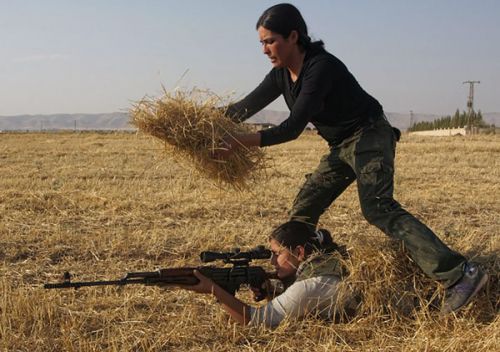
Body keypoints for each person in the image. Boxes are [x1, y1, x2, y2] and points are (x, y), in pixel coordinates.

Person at [214, 3, 487, 314]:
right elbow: (243, 108)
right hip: (340, 144)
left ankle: (460, 273)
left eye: (270, 40)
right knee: (302, 211)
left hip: (370, 135)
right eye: (261, 42)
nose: (264, 49)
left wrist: (239, 141)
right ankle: (304, 279)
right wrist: (200, 124)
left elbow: (292, 128)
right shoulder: (280, 75)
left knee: (378, 208)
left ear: (293, 36)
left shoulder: (321, 67)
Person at [181, 221, 349, 328]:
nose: (272, 262)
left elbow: (257, 320)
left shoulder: (310, 285)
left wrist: (213, 289)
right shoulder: (325, 261)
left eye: (278, 254)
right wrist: (270, 290)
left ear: (299, 252)